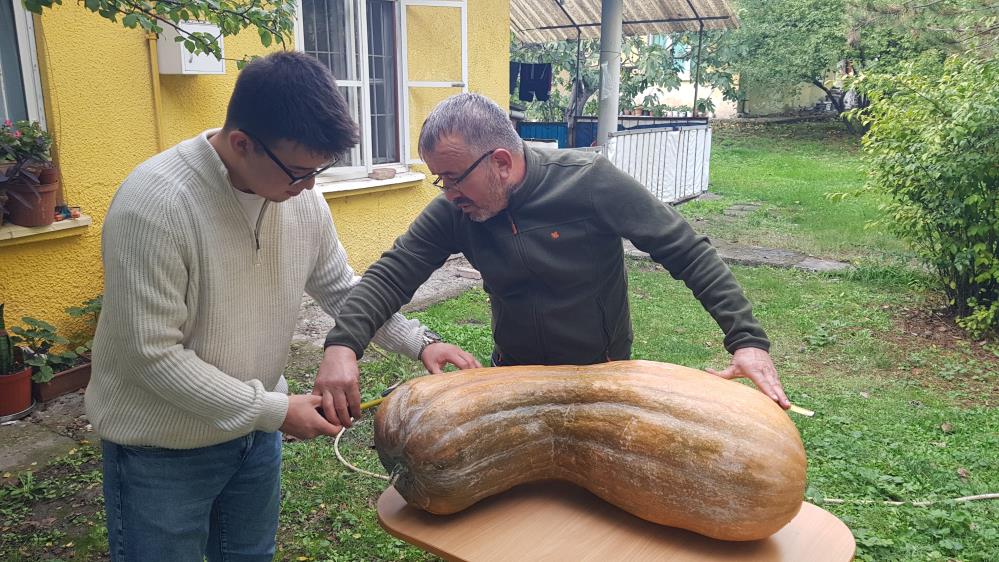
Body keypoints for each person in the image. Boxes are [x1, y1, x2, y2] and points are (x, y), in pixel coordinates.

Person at [85, 51, 478, 562]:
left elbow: (341, 287)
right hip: (160, 448)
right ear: (242, 143)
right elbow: (153, 357)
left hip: (252, 440)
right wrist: (273, 410)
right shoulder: (154, 206)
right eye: (298, 171)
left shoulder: (300, 199)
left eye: (320, 170)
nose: (311, 186)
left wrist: (418, 341)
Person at [316, 92, 790, 429]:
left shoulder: (589, 181)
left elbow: (685, 250)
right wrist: (343, 345)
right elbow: (393, 273)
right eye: (440, 180)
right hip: (513, 374)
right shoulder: (456, 208)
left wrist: (746, 339)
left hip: (599, 373)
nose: (448, 193)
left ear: (501, 162)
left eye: (454, 178)